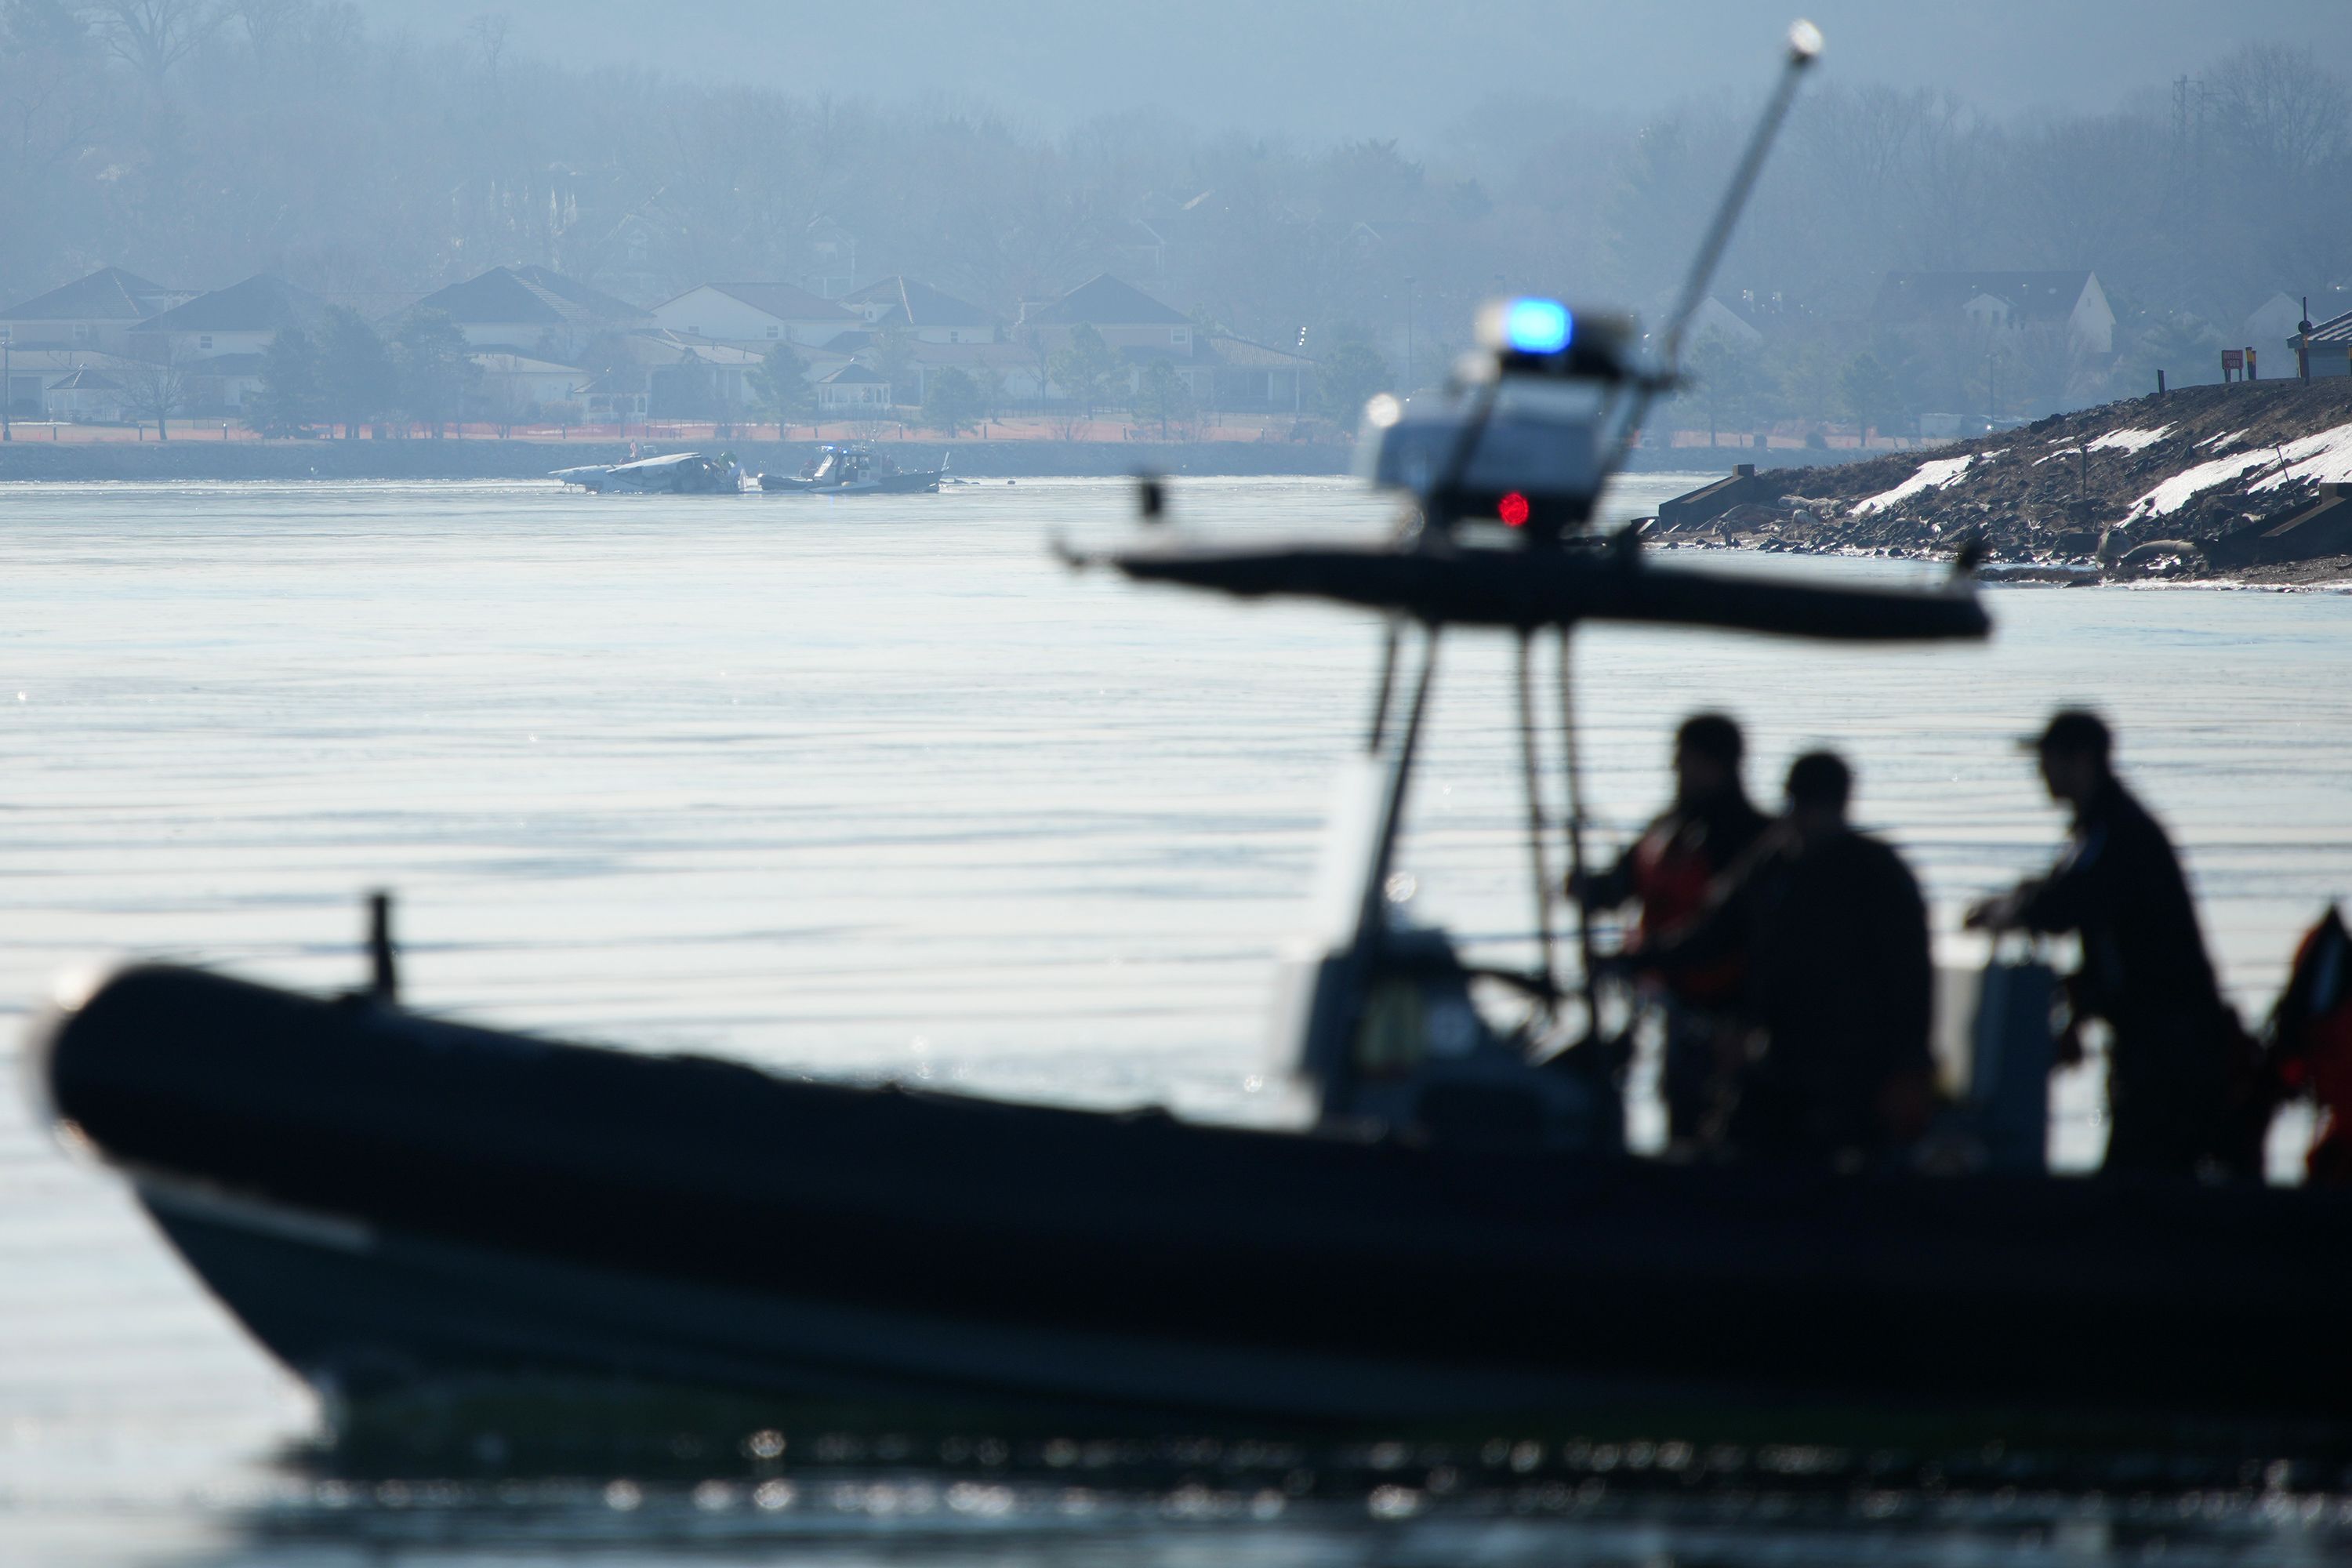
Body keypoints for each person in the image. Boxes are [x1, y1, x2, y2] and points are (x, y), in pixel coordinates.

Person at [1965, 710, 2239, 1177]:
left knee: (2141, 1183)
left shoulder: (2119, 833)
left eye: (2048, 759)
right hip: (2150, 1044)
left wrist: (2011, 913)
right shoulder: (2097, 831)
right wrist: (2077, 1011)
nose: (2040, 772)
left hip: (2172, 1050)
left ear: (2082, 760)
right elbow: (2093, 921)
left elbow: (2068, 904)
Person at [1697, 751, 1936, 1163]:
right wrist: (1642, 958)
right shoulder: (1772, 864)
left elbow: (1908, 978)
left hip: (1857, 1065)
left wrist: (1907, 1066)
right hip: (1781, 1056)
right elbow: (1714, 934)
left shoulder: (1874, 872)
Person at [1577, 713, 1769, 1145]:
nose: (1674, 769)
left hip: (1730, 1016)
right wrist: (1587, 888)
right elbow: (1620, 884)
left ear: (1715, 765)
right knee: (1676, 1112)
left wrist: (1642, 957)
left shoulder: (1751, 840)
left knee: (1719, 1124)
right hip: (1671, 1010)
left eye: (1684, 760)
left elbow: (1722, 930)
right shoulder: (1668, 827)